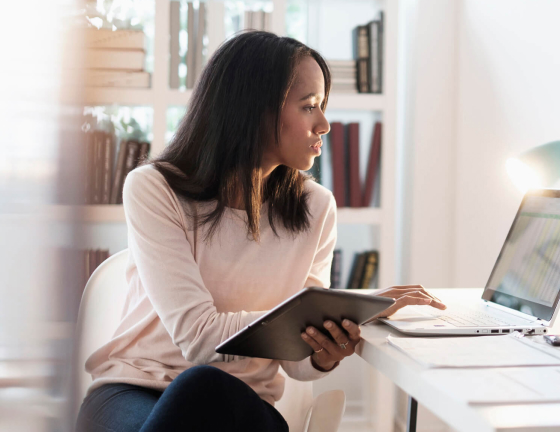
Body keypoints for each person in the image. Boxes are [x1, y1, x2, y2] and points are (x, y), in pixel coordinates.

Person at [75, 31, 446, 432]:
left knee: (207, 388)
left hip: (240, 402)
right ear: (253, 110)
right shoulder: (154, 188)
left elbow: (296, 365)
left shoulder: (316, 208)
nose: (324, 123)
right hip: (135, 389)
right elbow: (199, 340)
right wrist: (328, 310)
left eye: (322, 107)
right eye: (309, 107)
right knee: (198, 383)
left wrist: (322, 351)